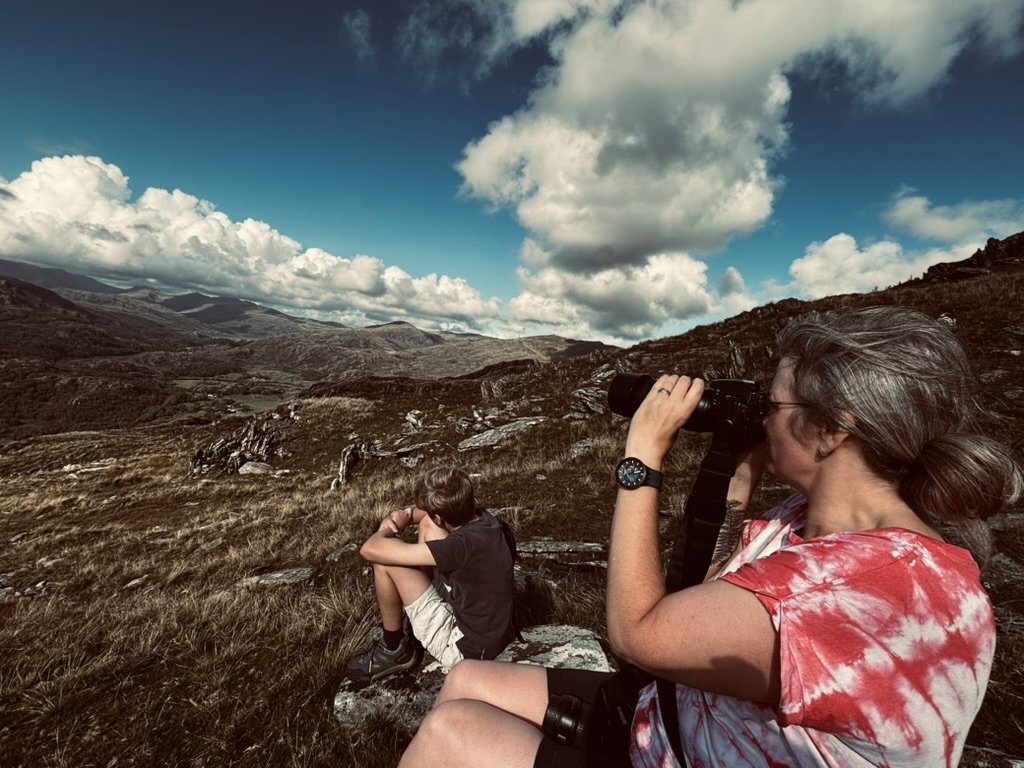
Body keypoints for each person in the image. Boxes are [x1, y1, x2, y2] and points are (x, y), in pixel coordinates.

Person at [399, 306, 1022, 767]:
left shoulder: (864, 595)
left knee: (450, 734)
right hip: (671, 717)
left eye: (773, 406)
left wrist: (642, 456)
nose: (764, 417)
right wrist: (743, 463)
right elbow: (714, 586)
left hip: (679, 752)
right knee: (463, 684)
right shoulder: (822, 526)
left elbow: (639, 632)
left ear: (833, 431)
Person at [344, 466, 516, 683]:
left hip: (465, 648)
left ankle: (394, 648)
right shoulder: (488, 522)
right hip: (488, 628)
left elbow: (370, 549)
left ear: (441, 517)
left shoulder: (458, 547)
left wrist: (386, 528)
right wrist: (407, 515)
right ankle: (417, 615)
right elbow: (427, 517)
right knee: (426, 524)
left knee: (385, 561)